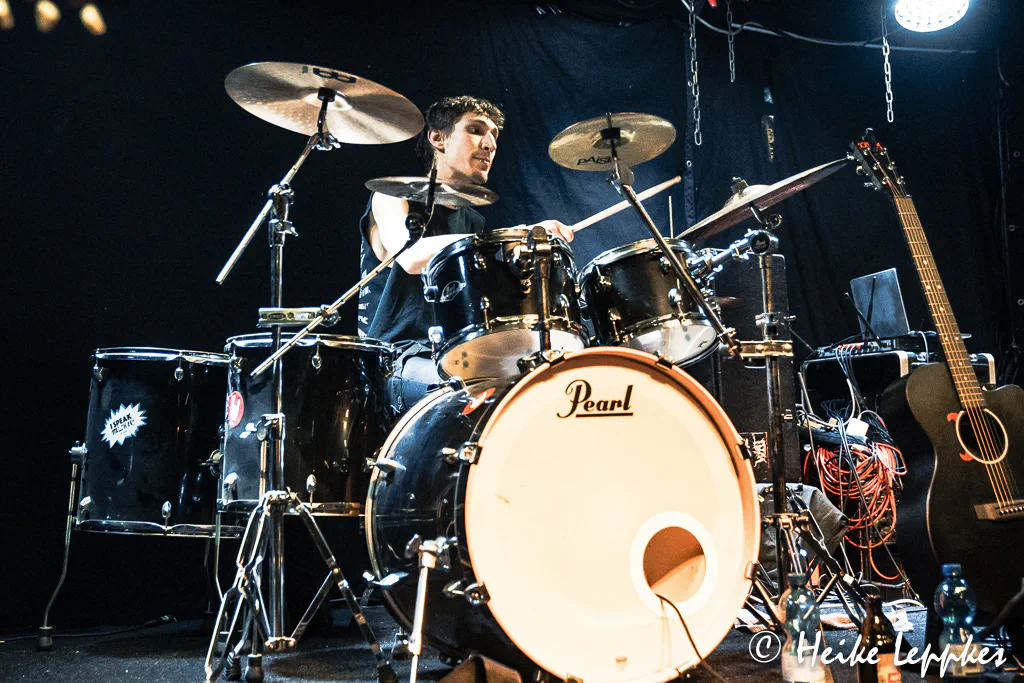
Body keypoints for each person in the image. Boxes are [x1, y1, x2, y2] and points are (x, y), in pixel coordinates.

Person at [358, 95, 572, 411]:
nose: (490, 144)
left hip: (453, 354)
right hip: (396, 358)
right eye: (475, 130)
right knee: (473, 395)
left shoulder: (473, 221)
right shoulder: (392, 196)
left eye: (494, 135)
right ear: (437, 138)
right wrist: (511, 235)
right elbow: (411, 257)